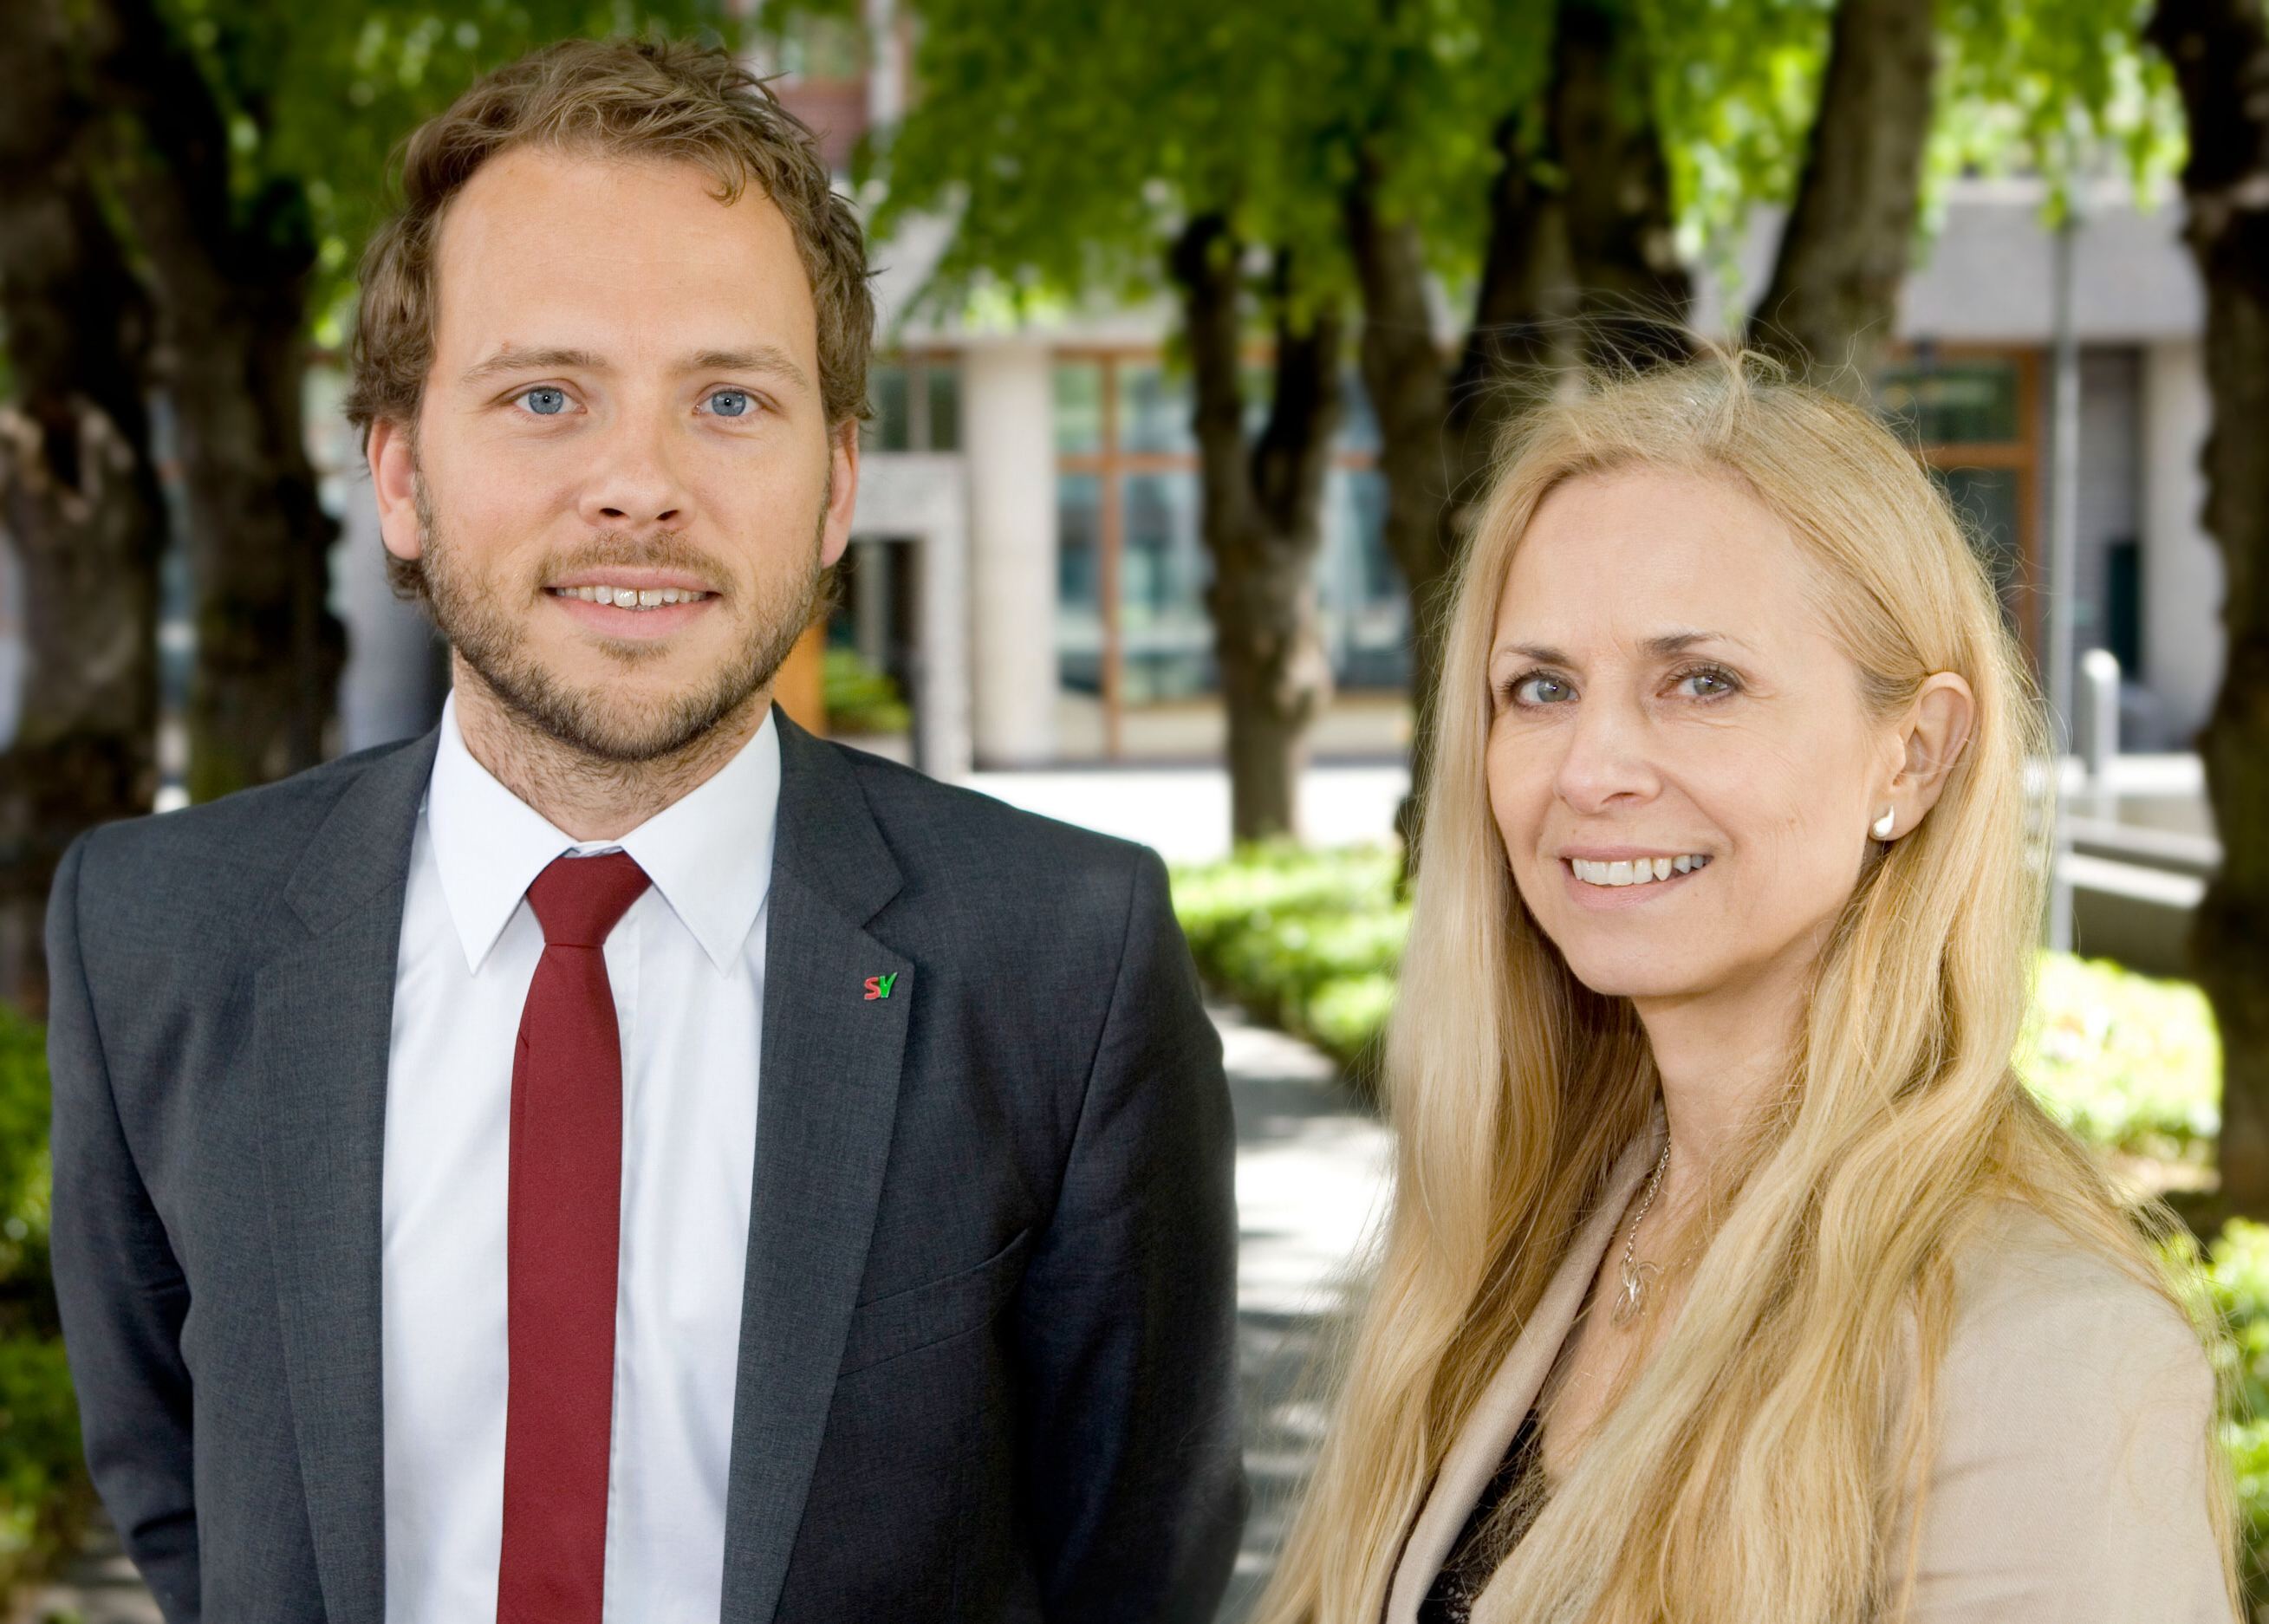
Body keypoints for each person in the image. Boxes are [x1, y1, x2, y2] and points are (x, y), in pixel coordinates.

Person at [44, 38, 1243, 1624]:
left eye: (729, 399)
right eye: (544, 396)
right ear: (400, 474)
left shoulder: (1063, 961)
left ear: (835, 486)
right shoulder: (154, 936)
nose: (639, 485)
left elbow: (1131, 1562)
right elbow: (178, 1487)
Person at [1256, 353, 2239, 1624]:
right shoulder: (1528, 1222)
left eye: (1701, 681)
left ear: (1914, 755)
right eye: (1541, 688)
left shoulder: (2043, 1348)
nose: (1591, 768)